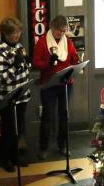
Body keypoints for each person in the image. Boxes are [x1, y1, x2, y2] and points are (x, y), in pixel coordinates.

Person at [33, 15, 79, 159]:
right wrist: (48, 62)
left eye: (64, 31)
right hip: (49, 84)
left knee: (64, 116)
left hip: (65, 84)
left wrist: (76, 62)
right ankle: (43, 147)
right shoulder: (42, 43)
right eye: (59, 31)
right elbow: (36, 63)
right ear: (52, 29)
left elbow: (73, 59)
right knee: (47, 117)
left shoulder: (68, 42)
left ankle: (62, 145)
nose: (61, 34)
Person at [0, 17, 31, 172]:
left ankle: (15, 156)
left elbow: (27, 69)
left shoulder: (19, 46)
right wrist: (15, 66)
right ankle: (5, 158)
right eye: (13, 33)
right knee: (8, 129)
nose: (17, 35)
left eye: (18, 32)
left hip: (22, 95)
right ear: (5, 34)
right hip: (7, 98)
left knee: (18, 129)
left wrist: (26, 63)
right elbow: (0, 79)